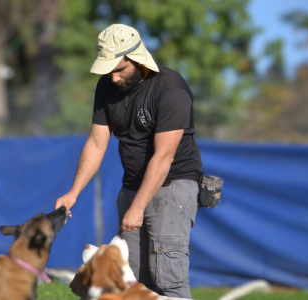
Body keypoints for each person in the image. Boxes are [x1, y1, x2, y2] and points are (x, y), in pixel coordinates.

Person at [55, 24, 202, 299]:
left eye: (119, 69)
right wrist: (73, 192)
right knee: (132, 282)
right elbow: (97, 143)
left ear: (137, 58)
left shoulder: (170, 89)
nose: (112, 78)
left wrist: (138, 206)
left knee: (168, 278)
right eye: (108, 70)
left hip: (172, 187)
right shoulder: (106, 87)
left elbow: (164, 157)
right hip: (132, 186)